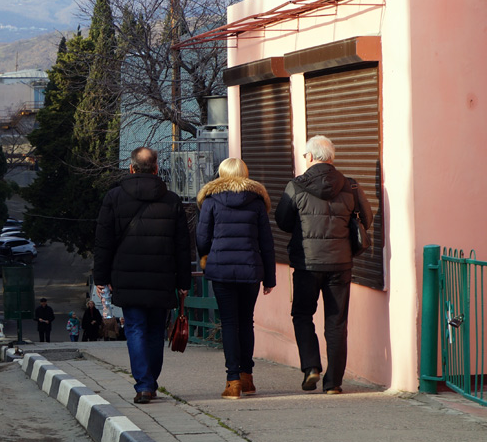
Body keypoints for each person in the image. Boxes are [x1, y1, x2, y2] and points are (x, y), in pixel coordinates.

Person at [275, 135, 372, 395]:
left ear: (310, 157)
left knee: (302, 315)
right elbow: (367, 219)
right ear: (331, 158)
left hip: (307, 263)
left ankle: (311, 367)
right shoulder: (350, 186)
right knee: (336, 322)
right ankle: (334, 383)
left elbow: (283, 221)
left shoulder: (295, 186)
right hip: (340, 263)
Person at [94, 147, 191, 404]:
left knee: (135, 328)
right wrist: (183, 282)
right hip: (162, 278)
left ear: (131, 168)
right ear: (156, 168)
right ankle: (150, 381)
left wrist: (101, 278)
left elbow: (103, 242)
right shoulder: (171, 200)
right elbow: (183, 245)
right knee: (155, 330)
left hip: (127, 277)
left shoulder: (114, 198)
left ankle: (144, 384)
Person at [196, 158, 277, 400]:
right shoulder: (256, 203)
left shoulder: (210, 202)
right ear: (245, 174)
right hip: (250, 270)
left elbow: (201, 238)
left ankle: (233, 383)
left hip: (221, 270)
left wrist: (207, 257)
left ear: (221, 175)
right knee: (247, 322)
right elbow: (266, 243)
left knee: (229, 323)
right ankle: (247, 378)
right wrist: (270, 278)